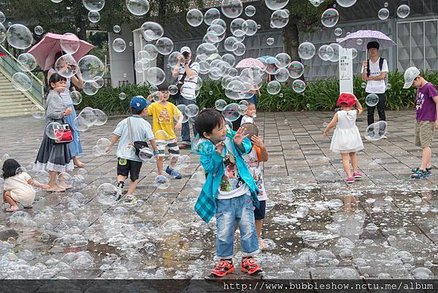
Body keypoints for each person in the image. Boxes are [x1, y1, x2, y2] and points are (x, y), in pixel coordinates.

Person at [194, 108, 262, 278]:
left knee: (248, 227)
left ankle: (249, 259)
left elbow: (246, 148)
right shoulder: (205, 147)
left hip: (242, 192)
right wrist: (217, 155)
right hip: (223, 197)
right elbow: (209, 168)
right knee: (224, 230)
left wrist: (239, 142)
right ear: (207, 134)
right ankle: (225, 261)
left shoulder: (231, 136)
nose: (224, 130)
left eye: (224, 125)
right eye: (219, 128)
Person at [105, 96, 157, 200]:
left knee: (121, 173)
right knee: (134, 178)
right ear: (144, 110)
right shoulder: (145, 124)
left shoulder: (124, 121)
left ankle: (120, 183)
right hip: (136, 157)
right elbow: (151, 139)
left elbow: (116, 135)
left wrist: (109, 146)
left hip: (123, 155)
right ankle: (129, 195)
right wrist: (156, 151)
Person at [34, 73, 74, 192]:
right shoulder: (53, 95)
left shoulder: (57, 95)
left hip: (59, 128)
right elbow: (51, 113)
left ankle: (61, 181)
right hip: (55, 130)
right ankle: (51, 184)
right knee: (56, 155)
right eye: (60, 82)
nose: (64, 85)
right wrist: (64, 113)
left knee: (62, 154)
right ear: (52, 84)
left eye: (64, 82)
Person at [47, 51, 85, 168]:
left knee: (73, 131)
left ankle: (74, 158)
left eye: (68, 61)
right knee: (62, 132)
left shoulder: (68, 73)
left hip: (69, 105)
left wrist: (78, 73)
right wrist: (63, 71)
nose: (67, 63)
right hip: (58, 106)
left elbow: (80, 85)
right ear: (58, 61)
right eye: (65, 60)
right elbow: (51, 85)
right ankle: (64, 158)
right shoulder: (52, 72)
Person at [403, 67, 438, 179]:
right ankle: (427, 165)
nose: (413, 85)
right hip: (420, 119)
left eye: (413, 82)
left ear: (417, 78)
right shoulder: (420, 88)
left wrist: (437, 119)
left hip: (428, 120)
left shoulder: (429, 87)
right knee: (420, 142)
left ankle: (422, 168)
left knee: (425, 145)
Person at [146, 83, 184, 183]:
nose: (165, 94)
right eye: (163, 92)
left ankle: (170, 169)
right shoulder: (154, 106)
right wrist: (147, 102)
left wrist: (179, 122)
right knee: (160, 156)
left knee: (176, 155)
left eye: (167, 92)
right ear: (158, 94)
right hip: (159, 136)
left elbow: (181, 115)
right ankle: (160, 175)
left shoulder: (171, 106)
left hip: (171, 136)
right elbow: (145, 112)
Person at [323, 93, 364, 184]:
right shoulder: (354, 112)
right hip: (353, 136)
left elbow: (332, 124)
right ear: (352, 104)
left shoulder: (339, 114)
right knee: (353, 154)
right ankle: (355, 172)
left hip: (342, 137)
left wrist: (326, 130)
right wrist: (356, 99)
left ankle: (349, 176)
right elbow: (361, 109)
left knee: (345, 157)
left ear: (340, 104)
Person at [241, 122, 269, 250]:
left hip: (258, 188)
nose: (247, 146)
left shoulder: (256, 148)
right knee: (241, 214)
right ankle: (242, 236)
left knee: (259, 215)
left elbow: (264, 158)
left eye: (250, 142)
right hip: (243, 188)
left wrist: (262, 147)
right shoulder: (237, 150)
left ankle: (257, 237)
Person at [171, 46, 200, 149]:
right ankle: (186, 141)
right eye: (184, 54)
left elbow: (190, 75)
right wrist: (179, 62)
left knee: (193, 118)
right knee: (182, 118)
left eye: (187, 54)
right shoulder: (179, 65)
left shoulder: (195, 64)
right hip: (180, 94)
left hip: (190, 95)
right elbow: (174, 75)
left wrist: (186, 64)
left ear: (191, 54)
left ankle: (198, 140)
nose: (186, 56)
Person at [361, 41, 389, 133]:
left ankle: (382, 131)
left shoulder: (382, 61)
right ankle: (370, 131)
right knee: (370, 112)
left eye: (374, 49)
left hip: (380, 89)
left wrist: (371, 77)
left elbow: (382, 76)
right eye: (370, 49)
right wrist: (365, 68)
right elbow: (364, 78)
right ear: (368, 51)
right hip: (369, 90)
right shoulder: (366, 63)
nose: (372, 51)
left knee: (381, 111)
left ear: (377, 50)